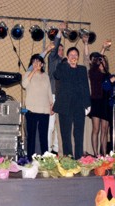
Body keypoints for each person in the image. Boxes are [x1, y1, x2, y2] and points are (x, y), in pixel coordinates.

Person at [53, 46, 91, 159]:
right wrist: (66, 64)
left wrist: (88, 104)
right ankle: (68, 159)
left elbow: (86, 87)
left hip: (79, 106)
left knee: (79, 134)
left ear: (78, 57)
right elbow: (56, 75)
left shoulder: (82, 69)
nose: (73, 57)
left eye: (75, 55)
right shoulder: (63, 67)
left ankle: (79, 158)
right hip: (65, 106)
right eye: (71, 55)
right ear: (67, 57)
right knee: (66, 135)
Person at [83, 36, 111, 156]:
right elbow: (91, 60)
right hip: (96, 101)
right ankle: (95, 154)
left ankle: (104, 154)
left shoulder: (108, 74)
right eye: (99, 61)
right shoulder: (93, 72)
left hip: (106, 103)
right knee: (96, 129)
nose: (100, 62)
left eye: (102, 61)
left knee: (105, 130)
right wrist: (103, 48)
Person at [22, 54, 53, 161]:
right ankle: (30, 160)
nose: (36, 64)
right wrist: (33, 71)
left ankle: (45, 160)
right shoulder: (27, 74)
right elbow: (24, 84)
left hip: (44, 110)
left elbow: (49, 91)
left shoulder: (46, 76)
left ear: (42, 64)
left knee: (43, 137)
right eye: (34, 62)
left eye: (38, 62)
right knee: (31, 137)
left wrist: (51, 104)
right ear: (31, 63)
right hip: (31, 109)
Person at [46, 22, 66, 155]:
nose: (61, 51)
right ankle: (47, 151)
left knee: (61, 126)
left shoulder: (66, 63)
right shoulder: (53, 59)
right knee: (51, 126)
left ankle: (57, 150)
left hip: (62, 97)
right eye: (59, 49)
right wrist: (60, 31)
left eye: (62, 50)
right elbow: (56, 46)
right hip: (53, 95)